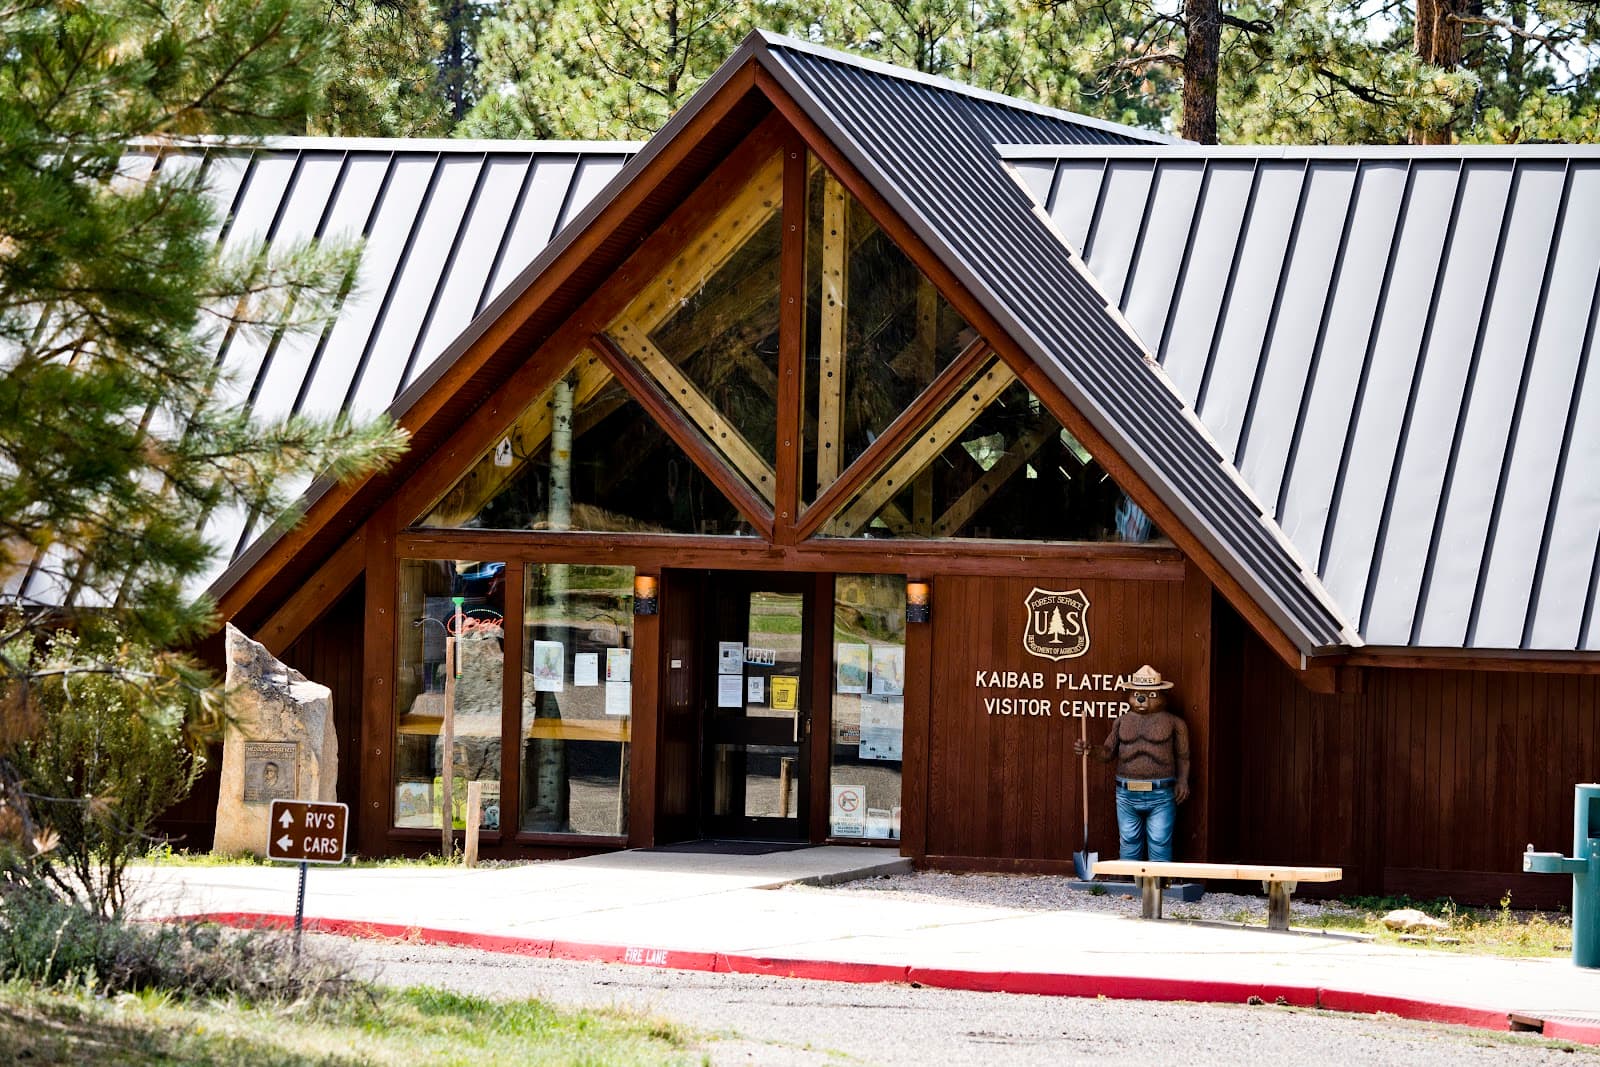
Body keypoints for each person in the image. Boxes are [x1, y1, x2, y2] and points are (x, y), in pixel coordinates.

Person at [1073, 664, 1190, 862]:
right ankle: (1127, 882)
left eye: (1151, 695)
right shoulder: (1121, 722)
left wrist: (1183, 781)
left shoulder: (1174, 723)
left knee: (1160, 839)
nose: (1142, 699)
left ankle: (1158, 883)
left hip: (1161, 792)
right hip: (1126, 792)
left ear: (1163, 697)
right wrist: (1090, 750)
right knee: (1128, 839)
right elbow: (1108, 752)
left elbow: (1183, 756)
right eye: (1137, 693)